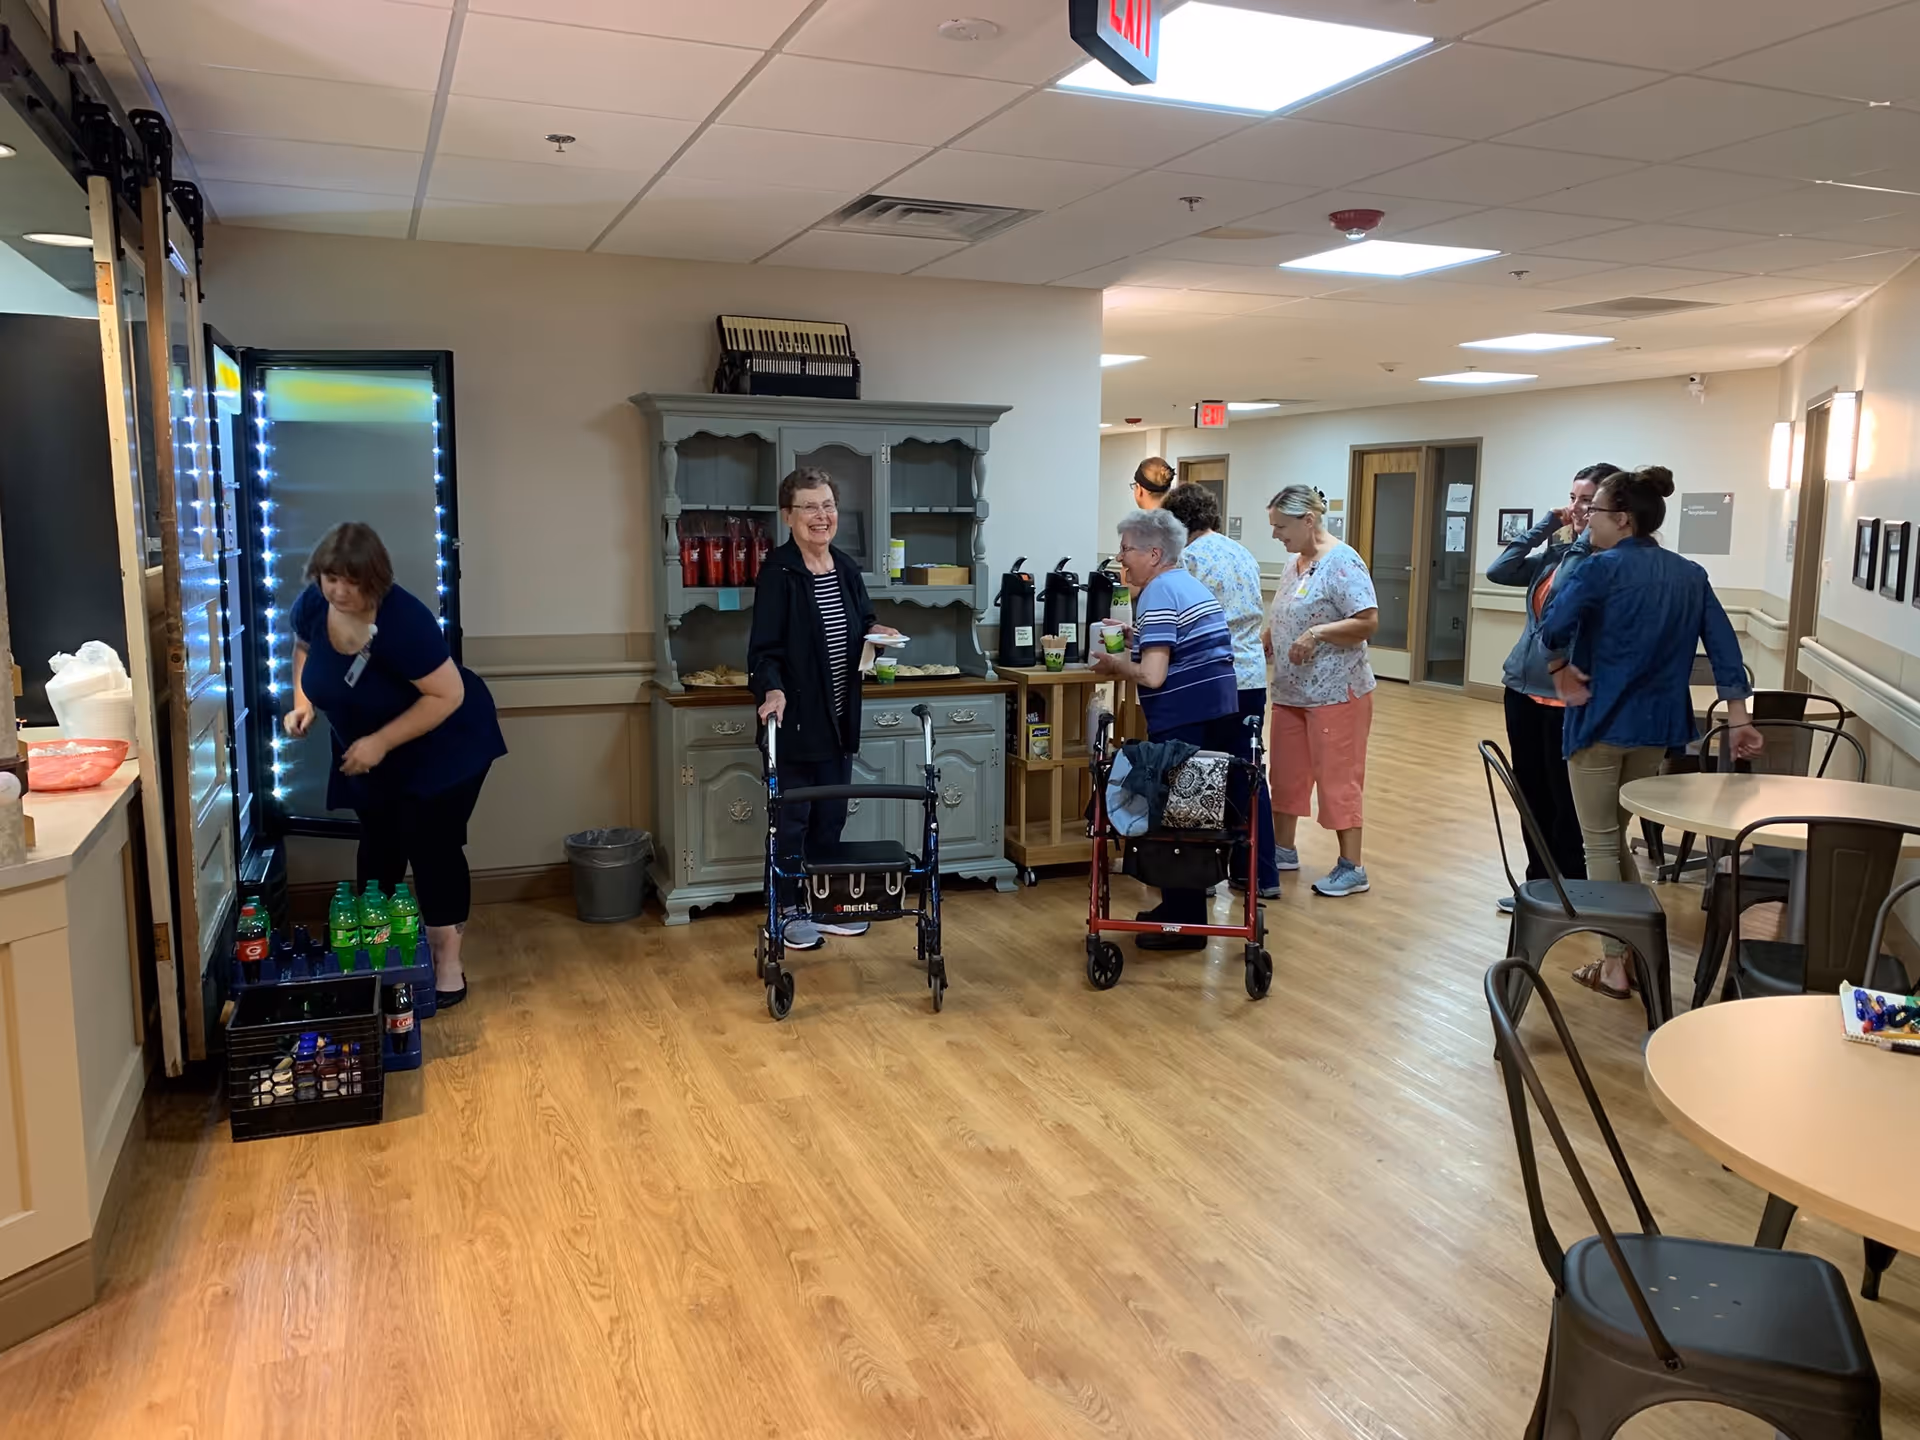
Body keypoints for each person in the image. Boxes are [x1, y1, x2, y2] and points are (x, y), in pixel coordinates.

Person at [1539, 465, 1763, 1000]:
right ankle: (1637, 944)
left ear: (1622, 518)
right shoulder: (1690, 574)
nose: (1585, 519)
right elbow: (1726, 648)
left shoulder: (1598, 569)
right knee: (1615, 836)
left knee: (1599, 841)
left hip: (1599, 719)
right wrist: (1739, 718)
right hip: (1657, 727)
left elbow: (1552, 629)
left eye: (1594, 512)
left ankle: (1615, 960)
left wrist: (1558, 670)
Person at [285, 523, 506, 1006]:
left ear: (375, 579)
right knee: (379, 849)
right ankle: (377, 959)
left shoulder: (404, 619)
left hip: (443, 743)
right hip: (367, 749)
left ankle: (448, 966)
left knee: (432, 846)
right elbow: (304, 651)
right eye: (330, 578)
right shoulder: (314, 605)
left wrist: (381, 742)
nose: (339, 591)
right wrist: (303, 702)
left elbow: (449, 694)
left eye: (351, 581)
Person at [748, 467, 901, 951]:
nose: (822, 516)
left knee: (830, 817)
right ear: (789, 516)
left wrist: (880, 634)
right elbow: (763, 651)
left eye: (829, 505)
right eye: (810, 507)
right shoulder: (779, 573)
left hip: (838, 720)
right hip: (793, 721)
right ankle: (786, 911)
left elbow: (864, 619)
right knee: (791, 823)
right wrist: (770, 692)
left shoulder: (846, 568)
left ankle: (824, 904)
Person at [1090, 506, 1239, 948]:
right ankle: (1182, 910)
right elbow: (1175, 647)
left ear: (1154, 553)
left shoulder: (1156, 592)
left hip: (1184, 719)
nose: (1121, 559)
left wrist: (1117, 663)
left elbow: (1153, 676)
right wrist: (1137, 640)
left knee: (1176, 819)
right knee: (1198, 817)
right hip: (1217, 712)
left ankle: (1183, 923)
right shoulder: (1186, 585)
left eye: (1126, 550)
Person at [1485, 463, 1620, 913]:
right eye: (1575, 498)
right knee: (1531, 795)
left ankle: (1572, 889)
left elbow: (1565, 595)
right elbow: (1498, 571)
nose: (1578, 508)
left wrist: (1581, 539)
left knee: (1567, 803)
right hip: (1524, 691)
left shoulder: (1604, 560)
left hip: (1569, 698)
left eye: (1588, 501)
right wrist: (1547, 526)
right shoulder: (1559, 550)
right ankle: (1538, 884)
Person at [1162, 483, 1280, 898]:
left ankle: (1199, 877)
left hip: (1209, 681)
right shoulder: (1240, 552)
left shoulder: (1188, 561)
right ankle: (1259, 874)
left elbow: (1181, 622)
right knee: (1248, 777)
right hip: (1249, 679)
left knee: (1198, 774)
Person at [1264, 485, 1381, 898]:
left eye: (1281, 526)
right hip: (1292, 692)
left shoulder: (1342, 562)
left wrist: (1317, 633)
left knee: (1338, 778)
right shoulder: (1296, 563)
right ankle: (1282, 849)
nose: (1276, 535)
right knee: (1286, 774)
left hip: (1335, 692)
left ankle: (1352, 867)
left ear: (1308, 520)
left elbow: (1367, 621)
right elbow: (1283, 614)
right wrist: (1266, 640)